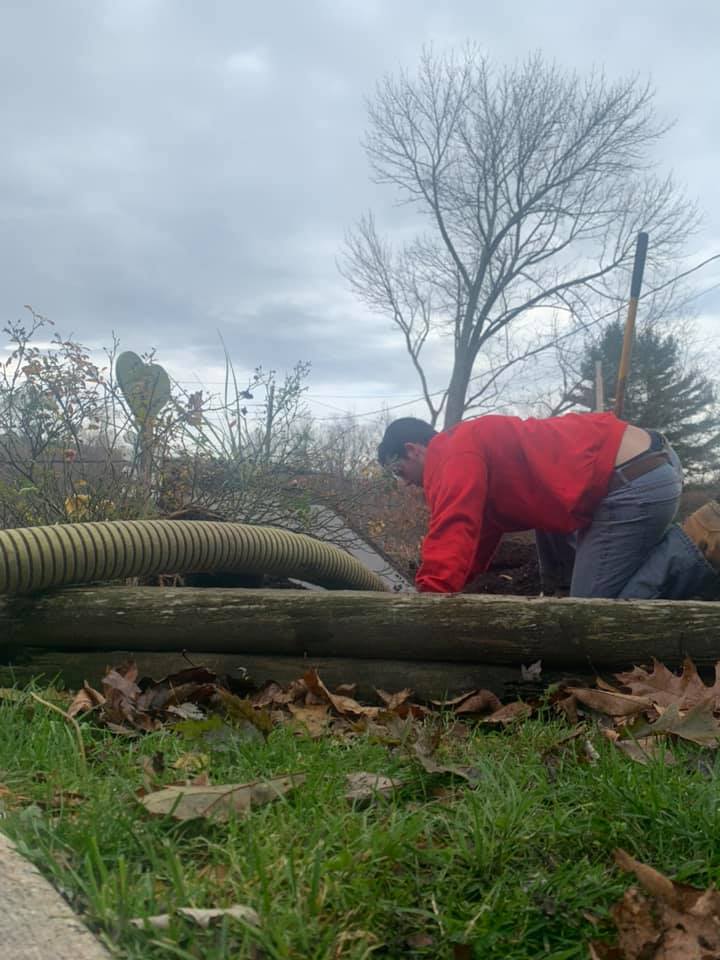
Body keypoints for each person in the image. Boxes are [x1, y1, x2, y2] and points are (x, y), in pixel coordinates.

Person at [377, 412, 720, 599]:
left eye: (399, 471)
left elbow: (454, 522)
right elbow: (477, 535)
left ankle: (693, 546)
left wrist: (428, 597)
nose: (405, 482)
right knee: (575, 589)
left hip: (631, 483)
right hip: (641, 468)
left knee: (591, 619)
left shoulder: (450, 453)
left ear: (413, 449)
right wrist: (456, 582)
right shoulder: (467, 447)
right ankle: (564, 596)